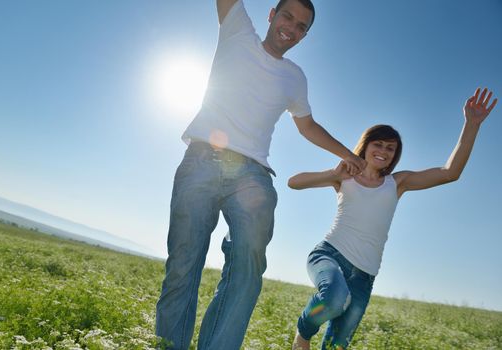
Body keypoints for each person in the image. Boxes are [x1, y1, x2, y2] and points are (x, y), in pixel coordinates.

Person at [155, 0, 366, 349]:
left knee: (246, 273)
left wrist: (348, 154)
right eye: (287, 16)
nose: (292, 28)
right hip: (202, 159)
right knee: (183, 264)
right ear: (271, 14)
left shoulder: (295, 77)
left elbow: (307, 126)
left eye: (302, 27)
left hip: (252, 177)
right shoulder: (238, 30)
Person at [289, 88, 497, 350]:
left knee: (337, 346)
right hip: (330, 254)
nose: (384, 151)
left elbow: (450, 173)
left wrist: (471, 124)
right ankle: (303, 334)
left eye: (390, 148)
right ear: (366, 145)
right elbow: (293, 183)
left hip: (365, 275)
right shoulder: (344, 175)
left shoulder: (398, 183)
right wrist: (332, 172)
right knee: (333, 298)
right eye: (378, 144)